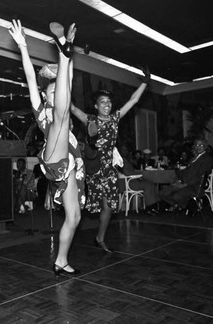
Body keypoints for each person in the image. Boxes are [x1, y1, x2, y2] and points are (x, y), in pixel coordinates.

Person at [9, 19, 84, 276]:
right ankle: (63, 53)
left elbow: (69, 81)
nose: (54, 95)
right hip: (53, 159)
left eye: (57, 92)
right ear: (45, 96)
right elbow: (31, 76)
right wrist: (22, 46)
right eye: (51, 93)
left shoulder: (63, 94)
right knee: (61, 117)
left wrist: (71, 46)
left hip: (70, 165)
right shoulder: (42, 110)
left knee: (74, 217)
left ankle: (60, 260)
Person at [71, 68, 150, 252]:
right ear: (96, 106)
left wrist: (145, 81)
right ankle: (71, 228)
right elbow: (72, 108)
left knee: (108, 207)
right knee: (85, 204)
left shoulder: (115, 119)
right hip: (94, 168)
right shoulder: (90, 119)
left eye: (109, 102)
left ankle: (100, 238)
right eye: (102, 102)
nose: (107, 104)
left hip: (109, 169)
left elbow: (134, 100)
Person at [158, 138, 213, 212]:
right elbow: (186, 172)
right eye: (196, 145)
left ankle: (189, 206)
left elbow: (200, 176)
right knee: (162, 193)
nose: (198, 147)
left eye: (201, 145)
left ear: (205, 147)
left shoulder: (207, 159)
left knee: (176, 196)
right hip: (185, 183)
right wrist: (179, 180)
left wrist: (185, 184)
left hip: (195, 186)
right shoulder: (193, 158)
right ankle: (178, 205)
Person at [117, 144, 160, 214]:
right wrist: (139, 175)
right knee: (148, 185)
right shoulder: (120, 160)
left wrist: (138, 176)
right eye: (123, 150)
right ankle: (150, 208)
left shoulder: (125, 159)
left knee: (151, 183)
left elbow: (130, 171)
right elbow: (127, 173)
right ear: (120, 151)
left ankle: (153, 206)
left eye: (126, 150)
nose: (125, 151)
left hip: (131, 180)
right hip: (127, 183)